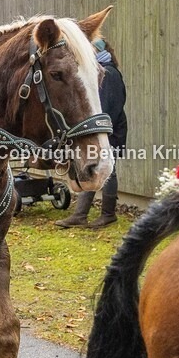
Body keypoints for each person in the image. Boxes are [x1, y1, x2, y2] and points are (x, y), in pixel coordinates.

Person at [56, 37, 127, 229]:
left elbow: (109, 108)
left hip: (109, 131)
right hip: (99, 130)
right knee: (90, 166)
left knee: (108, 171)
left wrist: (99, 130)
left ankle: (108, 214)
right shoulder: (98, 71)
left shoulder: (110, 73)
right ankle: (80, 215)